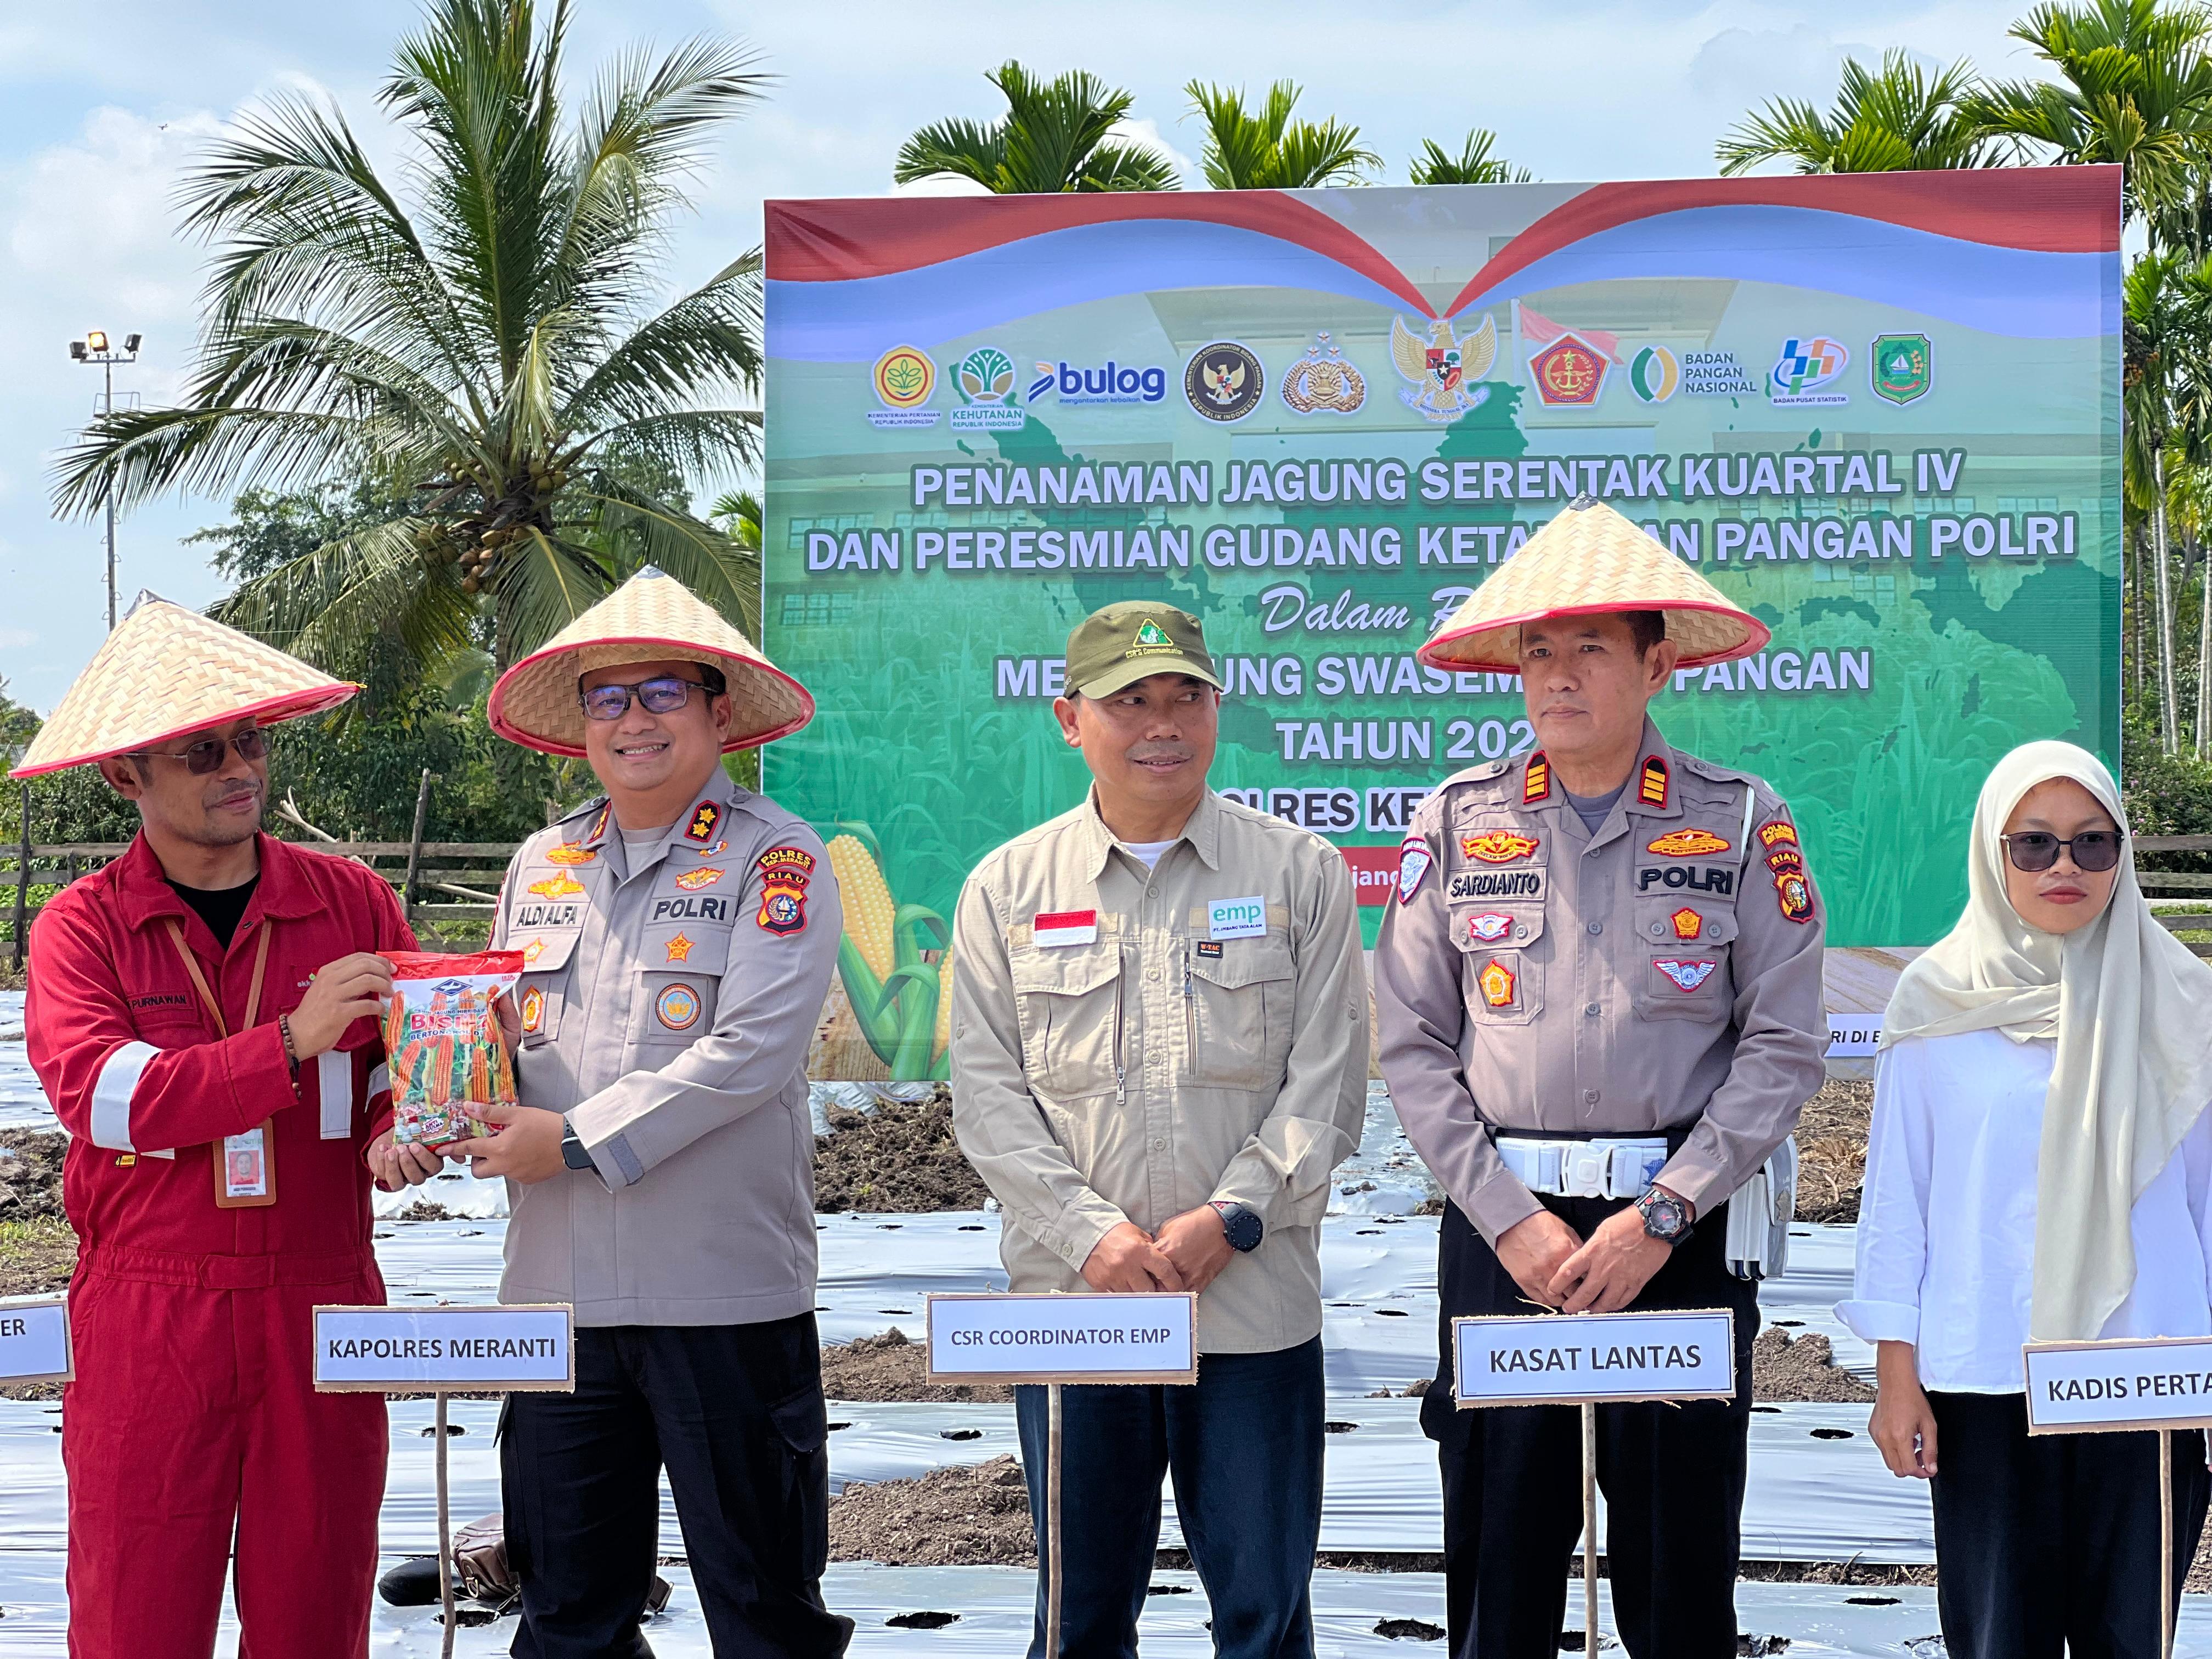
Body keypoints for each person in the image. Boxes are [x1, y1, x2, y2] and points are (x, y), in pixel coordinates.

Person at [1373, 497, 1829, 1659]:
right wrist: (1509, 1222)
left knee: (1679, 1583)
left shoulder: (1738, 825)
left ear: (1656, 664)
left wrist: (1665, 1214)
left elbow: (1781, 1044)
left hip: (1675, 1239)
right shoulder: (1460, 822)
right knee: (1500, 1571)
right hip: (1503, 1238)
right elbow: (1415, 1045)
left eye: (1589, 650)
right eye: (1538, 651)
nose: (1557, 676)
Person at [17, 594, 439, 1659]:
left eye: (250, 739)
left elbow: (419, 1059)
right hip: (151, 1312)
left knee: (319, 1607)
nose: (237, 767)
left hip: (324, 1289)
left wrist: (409, 1124)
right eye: (201, 752)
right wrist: (287, 1044)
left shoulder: (353, 904)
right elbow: (108, 1102)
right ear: (126, 776)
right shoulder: (84, 927)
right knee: (134, 1617)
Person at [950, 600, 1369, 1659]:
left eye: (1186, 695)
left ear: (1217, 710)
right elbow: (991, 1103)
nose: (1162, 723)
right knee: (1078, 1618)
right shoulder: (1006, 888)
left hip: (1249, 1310)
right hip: (1075, 1314)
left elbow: (1327, 1083)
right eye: (1129, 701)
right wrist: (1092, 1235)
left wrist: (1232, 1217)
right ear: (1070, 719)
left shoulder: (1299, 874)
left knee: (1264, 1619)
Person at [474, 566, 849, 1659]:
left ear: (719, 709)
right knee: (568, 1613)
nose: (632, 720)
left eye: (662, 694)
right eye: (607, 697)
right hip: (558, 1298)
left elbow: (752, 1053)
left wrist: (577, 1141)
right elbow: (504, 1046)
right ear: (582, 722)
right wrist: (448, 1096)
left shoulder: (775, 857)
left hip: (721, 1294)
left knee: (763, 1609)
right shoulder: (542, 864)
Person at [1838, 741, 2212, 1658]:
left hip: (2148, 1379)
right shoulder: (1935, 1002)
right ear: (1991, 852)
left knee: (2134, 1637)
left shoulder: (2184, 1003)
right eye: (2034, 844)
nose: (2065, 868)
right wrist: (1896, 1378)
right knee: (2000, 1637)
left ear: (2123, 855)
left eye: (2094, 844)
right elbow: (1901, 1202)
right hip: (1987, 1379)